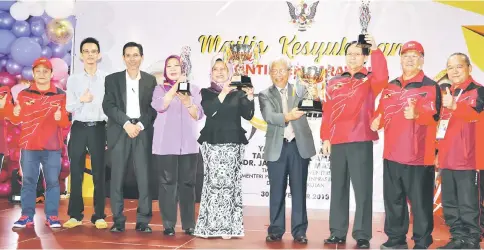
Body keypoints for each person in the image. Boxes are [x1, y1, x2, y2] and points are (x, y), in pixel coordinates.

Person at [371, 41, 441, 249]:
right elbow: (381, 113)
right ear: (400, 59)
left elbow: (436, 115)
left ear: (421, 60)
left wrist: (418, 114)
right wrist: (376, 121)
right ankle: (395, 239)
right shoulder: (390, 86)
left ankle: (421, 241)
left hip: (419, 157)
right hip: (392, 155)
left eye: (414, 55)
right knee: (394, 201)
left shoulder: (430, 86)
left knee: (420, 204)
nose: (409, 59)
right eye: (406, 55)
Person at [320, 35, 388, 249]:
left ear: (364, 58)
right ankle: (337, 232)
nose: (352, 57)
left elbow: (384, 77)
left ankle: (362, 234)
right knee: (338, 188)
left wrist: (376, 49)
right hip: (338, 141)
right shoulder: (334, 81)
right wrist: (325, 138)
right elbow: (327, 111)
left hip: (360, 140)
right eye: (349, 54)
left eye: (357, 54)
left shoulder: (370, 79)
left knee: (362, 190)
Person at [0, 57, 70, 228]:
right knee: (28, 182)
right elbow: (16, 119)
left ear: (51, 73)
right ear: (33, 73)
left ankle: (52, 216)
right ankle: (26, 216)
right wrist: (4, 108)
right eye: (38, 71)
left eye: (45, 71)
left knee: (52, 182)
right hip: (29, 146)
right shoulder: (24, 94)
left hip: (52, 147)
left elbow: (66, 124)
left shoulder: (61, 95)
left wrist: (60, 119)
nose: (41, 74)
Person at [194, 54, 254, 239]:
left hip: (234, 142)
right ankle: (210, 226)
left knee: (230, 187)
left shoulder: (238, 92)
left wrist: (249, 97)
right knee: (213, 186)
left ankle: (229, 227)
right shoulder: (206, 92)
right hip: (212, 142)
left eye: (223, 69)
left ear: (229, 72)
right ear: (211, 72)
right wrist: (223, 92)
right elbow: (210, 111)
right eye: (216, 69)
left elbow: (248, 115)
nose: (219, 72)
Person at [259, 57, 316, 244]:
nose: (278, 74)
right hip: (277, 147)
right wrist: (288, 116)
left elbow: (314, 104)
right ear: (270, 74)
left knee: (299, 190)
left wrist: (314, 93)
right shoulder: (265, 94)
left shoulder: (299, 90)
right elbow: (269, 116)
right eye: (274, 71)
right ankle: (275, 230)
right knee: (277, 191)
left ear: (289, 72)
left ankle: (299, 231)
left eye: (282, 70)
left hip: (298, 147)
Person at [102, 42, 157, 233]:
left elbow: (152, 108)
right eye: (128, 55)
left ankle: (143, 220)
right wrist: (126, 124)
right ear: (123, 58)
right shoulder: (112, 79)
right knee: (116, 177)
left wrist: (140, 125)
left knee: (144, 178)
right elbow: (108, 106)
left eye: (136, 55)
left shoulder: (150, 81)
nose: (132, 59)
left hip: (142, 131)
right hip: (120, 130)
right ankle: (118, 219)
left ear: (142, 57)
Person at [151, 55, 204, 236]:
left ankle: (189, 224)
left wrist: (188, 102)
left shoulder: (195, 90)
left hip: (189, 145)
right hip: (165, 144)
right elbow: (160, 106)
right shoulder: (159, 89)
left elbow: (198, 115)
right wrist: (176, 87)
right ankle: (168, 224)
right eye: (169, 66)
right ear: (165, 70)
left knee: (188, 184)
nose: (173, 69)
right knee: (167, 184)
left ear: (184, 69)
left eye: (177, 66)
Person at [435, 53, 483, 249]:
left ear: (469, 68)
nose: (454, 71)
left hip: (468, 159)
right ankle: (457, 238)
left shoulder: (479, 91)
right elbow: (441, 126)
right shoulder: (447, 93)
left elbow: (474, 115)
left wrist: (455, 106)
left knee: (468, 204)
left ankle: (472, 240)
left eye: (459, 67)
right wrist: (437, 153)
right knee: (450, 204)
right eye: (450, 67)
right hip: (447, 159)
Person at [63, 37, 108, 229]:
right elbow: (68, 106)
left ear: (99, 55)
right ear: (81, 56)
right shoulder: (73, 79)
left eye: (93, 51)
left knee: (99, 173)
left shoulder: (107, 79)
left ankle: (99, 215)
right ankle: (75, 214)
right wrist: (82, 99)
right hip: (79, 127)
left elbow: (110, 107)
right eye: (86, 51)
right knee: (76, 172)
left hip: (99, 128)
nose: (90, 55)